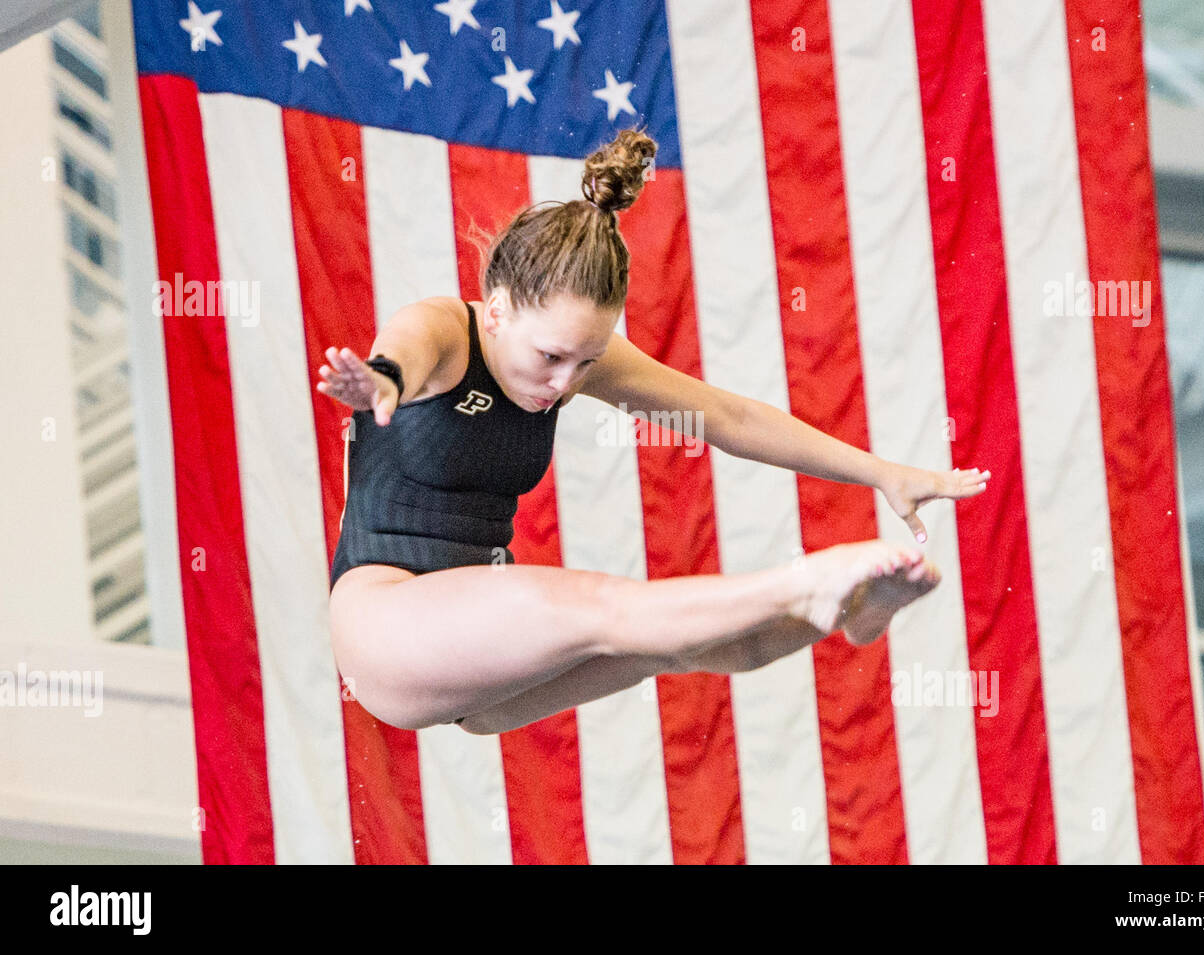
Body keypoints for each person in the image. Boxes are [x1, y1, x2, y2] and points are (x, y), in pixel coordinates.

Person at [318, 128, 990, 735]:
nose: (565, 384)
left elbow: (728, 418)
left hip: (478, 674)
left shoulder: (574, 360)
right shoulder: (446, 331)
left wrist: (882, 472)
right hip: (386, 621)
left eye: (585, 361)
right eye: (550, 357)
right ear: (496, 311)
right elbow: (403, 352)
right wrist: (382, 382)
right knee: (603, 605)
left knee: (665, 648)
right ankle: (804, 582)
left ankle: (850, 611)